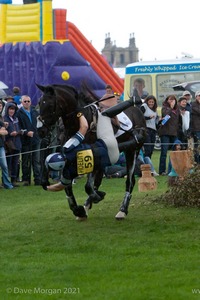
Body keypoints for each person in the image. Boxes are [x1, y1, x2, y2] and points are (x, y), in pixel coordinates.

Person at [44, 97, 144, 191]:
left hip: (111, 158)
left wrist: (47, 188)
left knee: (109, 154)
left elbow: (60, 186)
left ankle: (135, 141)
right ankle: (132, 101)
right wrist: (79, 113)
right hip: (105, 144)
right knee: (104, 115)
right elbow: (84, 127)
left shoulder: (68, 172)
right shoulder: (67, 148)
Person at [16, 95, 41, 186]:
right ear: (22, 103)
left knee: (36, 160)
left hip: (36, 139)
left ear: (30, 102)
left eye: (28, 101)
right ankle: (26, 179)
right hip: (25, 140)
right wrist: (26, 132)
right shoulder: (18, 113)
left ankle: (37, 179)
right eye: (25, 101)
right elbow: (18, 127)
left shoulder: (35, 111)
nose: (27, 103)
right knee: (26, 160)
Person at [158, 94, 182, 175]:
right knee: (164, 152)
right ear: (167, 100)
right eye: (169, 99)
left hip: (174, 133)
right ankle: (162, 170)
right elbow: (165, 115)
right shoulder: (165, 108)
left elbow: (179, 121)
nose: (171, 101)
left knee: (175, 151)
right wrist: (171, 108)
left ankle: (173, 169)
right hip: (165, 133)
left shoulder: (177, 110)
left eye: (173, 100)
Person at [3, 102, 22, 187]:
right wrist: (10, 134)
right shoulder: (4, 119)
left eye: (13, 109)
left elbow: (19, 128)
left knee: (15, 163)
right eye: (10, 109)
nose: (12, 111)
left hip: (17, 143)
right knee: (8, 163)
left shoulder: (16, 118)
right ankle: (6, 181)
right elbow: (3, 132)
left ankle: (14, 180)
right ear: (7, 109)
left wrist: (19, 132)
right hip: (9, 144)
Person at [0, 119, 14, 189]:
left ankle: (7, 184)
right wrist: (1, 131)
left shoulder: (1, 120)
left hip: (1, 146)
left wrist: (2, 130)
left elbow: (6, 132)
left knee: (4, 166)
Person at [190, 91, 200, 164]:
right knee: (197, 146)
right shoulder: (193, 105)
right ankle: (197, 162)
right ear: (196, 97)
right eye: (199, 96)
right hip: (196, 129)